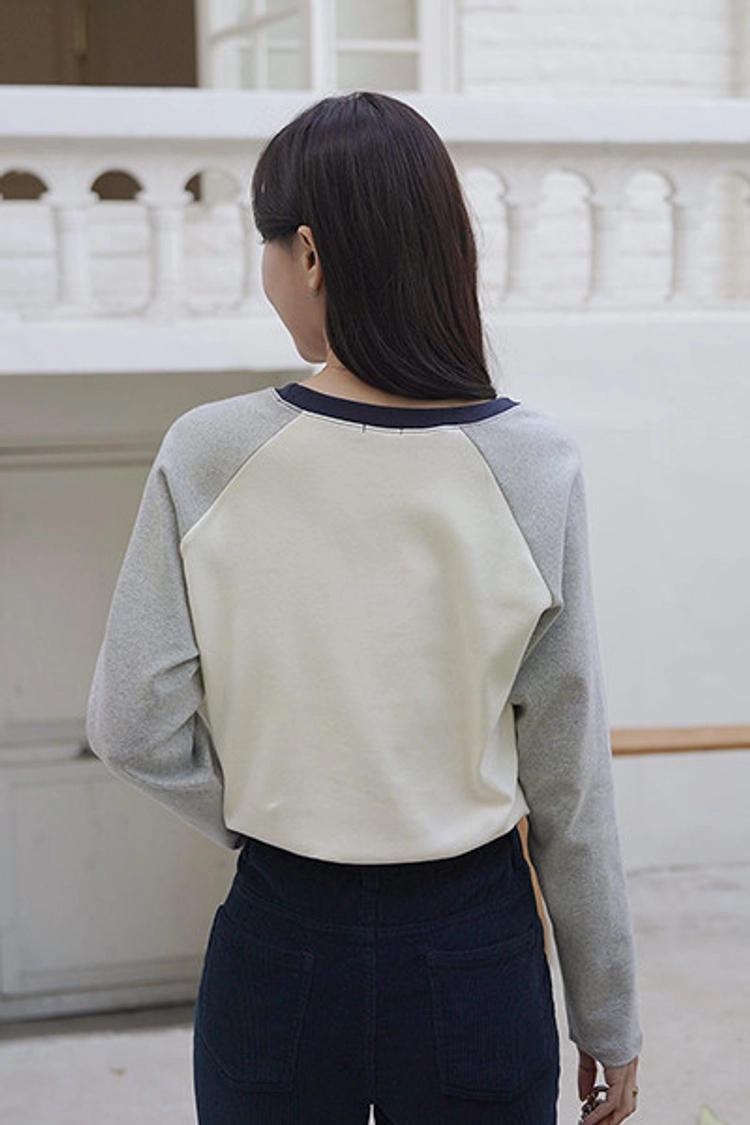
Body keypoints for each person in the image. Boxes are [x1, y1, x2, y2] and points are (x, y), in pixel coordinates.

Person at [87, 91, 641, 1125]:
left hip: (281, 937)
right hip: (475, 944)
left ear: (308, 253)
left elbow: (132, 725)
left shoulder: (210, 452)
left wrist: (274, 810)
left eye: (265, 245)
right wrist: (606, 1014)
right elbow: (569, 777)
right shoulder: (534, 463)